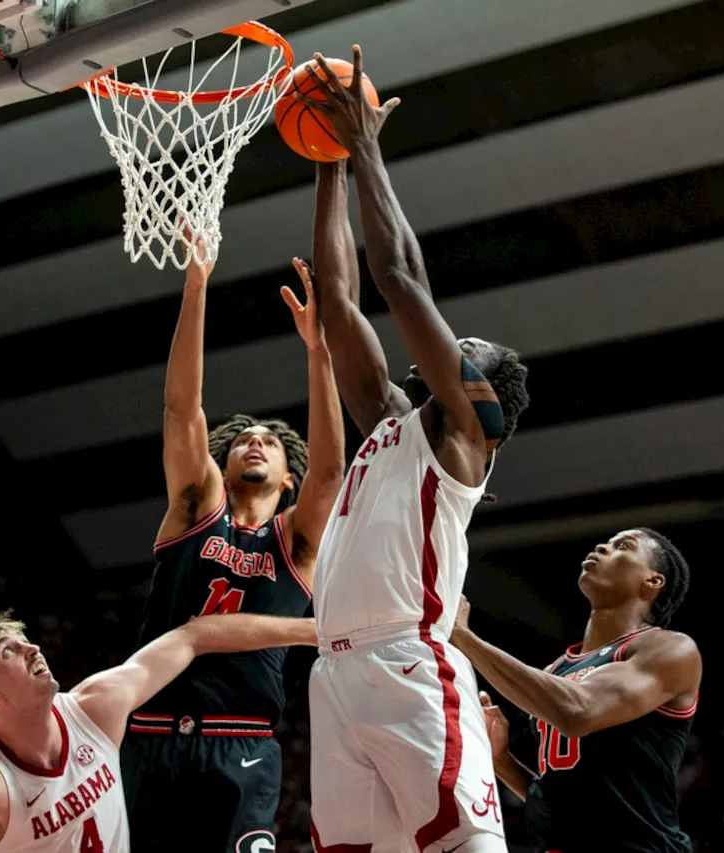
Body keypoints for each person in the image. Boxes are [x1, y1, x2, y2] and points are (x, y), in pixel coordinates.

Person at [293, 46, 530, 853]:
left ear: (484, 389)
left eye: (470, 348)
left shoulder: (468, 430)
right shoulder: (391, 419)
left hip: (408, 660)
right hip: (335, 673)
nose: (453, 341)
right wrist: (325, 159)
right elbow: (337, 299)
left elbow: (397, 275)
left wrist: (364, 145)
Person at [119, 236, 345, 853]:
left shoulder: (297, 540)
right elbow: (179, 409)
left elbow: (331, 473)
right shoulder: (196, 506)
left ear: (286, 475)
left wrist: (319, 351)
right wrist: (196, 284)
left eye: (268, 442)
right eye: (242, 438)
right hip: (150, 733)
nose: (254, 441)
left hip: (242, 739)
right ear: (221, 461)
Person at [0, 609, 317, 853]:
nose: (32, 649)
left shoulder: (97, 708)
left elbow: (196, 635)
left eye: (25, 641)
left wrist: (312, 630)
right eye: (9, 652)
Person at [450, 528, 701, 853]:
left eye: (622, 546)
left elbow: (578, 712)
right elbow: (560, 800)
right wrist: (501, 760)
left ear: (653, 581)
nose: (600, 546)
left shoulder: (669, 649)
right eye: (605, 543)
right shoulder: (555, 671)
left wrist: (464, 638)